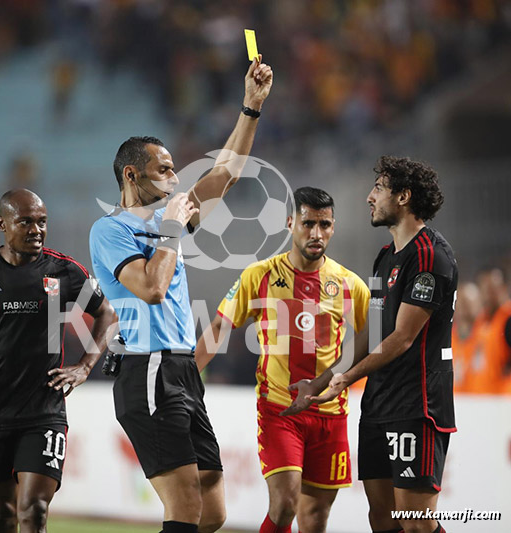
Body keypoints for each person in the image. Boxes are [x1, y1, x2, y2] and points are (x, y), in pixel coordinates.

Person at [89, 57, 273, 533]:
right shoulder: (110, 230)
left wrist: (250, 108)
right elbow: (151, 288)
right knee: (186, 503)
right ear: (132, 176)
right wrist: (172, 228)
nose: (176, 177)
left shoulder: (164, 222)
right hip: (148, 367)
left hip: (182, 368)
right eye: (165, 169)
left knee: (213, 508)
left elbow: (226, 174)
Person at [0, 189, 116, 533]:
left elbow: (107, 314)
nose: (37, 230)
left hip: (43, 411)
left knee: (34, 511)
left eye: (42, 222)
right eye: (25, 221)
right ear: (2, 223)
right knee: (2, 516)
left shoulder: (65, 271)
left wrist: (85, 366)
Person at [286, 156, 458, 533]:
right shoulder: (384, 258)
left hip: (418, 405)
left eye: (378, 188)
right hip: (379, 404)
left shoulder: (430, 256)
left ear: (403, 197)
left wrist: (346, 380)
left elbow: (401, 338)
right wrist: (320, 382)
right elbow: (373, 332)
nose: (369, 197)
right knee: (382, 519)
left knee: (415, 523)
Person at [195, 187, 370, 533]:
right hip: (279, 409)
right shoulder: (258, 275)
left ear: (333, 227)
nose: (316, 233)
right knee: (286, 502)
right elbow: (218, 326)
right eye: (308, 224)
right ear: (291, 223)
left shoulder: (350, 285)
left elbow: (375, 339)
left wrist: (351, 379)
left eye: (324, 225)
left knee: (316, 516)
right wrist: (184, 379)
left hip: (330, 414)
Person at [471, 267, 511, 394]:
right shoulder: (480, 321)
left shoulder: (508, 319)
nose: (488, 294)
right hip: (481, 399)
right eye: (485, 289)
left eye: (492, 289)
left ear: (504, 288)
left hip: (503, 400)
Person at [451, 281, 486, 393]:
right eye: (461, 302)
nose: (465, 308)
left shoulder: (489, 334)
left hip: (490, 403)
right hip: (457, 402)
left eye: (469, 303)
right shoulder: (447, 339)